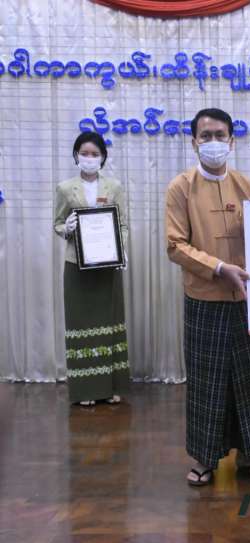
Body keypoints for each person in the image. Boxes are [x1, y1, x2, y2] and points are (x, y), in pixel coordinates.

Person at [165, 107, 250, 487]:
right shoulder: (181, 187)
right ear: (194, 142)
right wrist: (219, 268)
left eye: (220, 135)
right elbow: (175, 246)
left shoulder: (246, 186)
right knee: (206, 382)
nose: (213, 142)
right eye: (206, 136)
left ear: (232, 141)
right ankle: (204, 459)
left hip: (244, 299)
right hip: (204, 297)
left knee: (247, 380)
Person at [54, 131, 130, 406]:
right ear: (76, 156)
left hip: (107, 265)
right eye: (84, 153)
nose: (89, 158)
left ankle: (111, 387)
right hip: (77, 265)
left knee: (109, 322)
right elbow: (57, 223)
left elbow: (122, 224)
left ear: (103, 157)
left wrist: (120, 248)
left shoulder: (114, 187)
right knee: (81, 322)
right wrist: (67, 228)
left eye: (94, 154)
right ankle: (85, 390)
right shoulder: (65, 188)